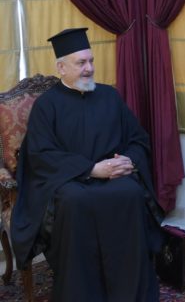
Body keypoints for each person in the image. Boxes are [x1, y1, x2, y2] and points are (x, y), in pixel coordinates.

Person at [11, 28, 164, 301]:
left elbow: (137, 139)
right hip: (70, 181)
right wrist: (91, 170)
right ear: (61, 68)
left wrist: (128, 161)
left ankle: (130, 293)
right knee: (74, 201)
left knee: (130, 191)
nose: (89, 68)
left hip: (113, 176)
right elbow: (41, 155)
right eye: (81, 63)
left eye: (91, 61)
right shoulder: (47, 106)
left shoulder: (110, 96)